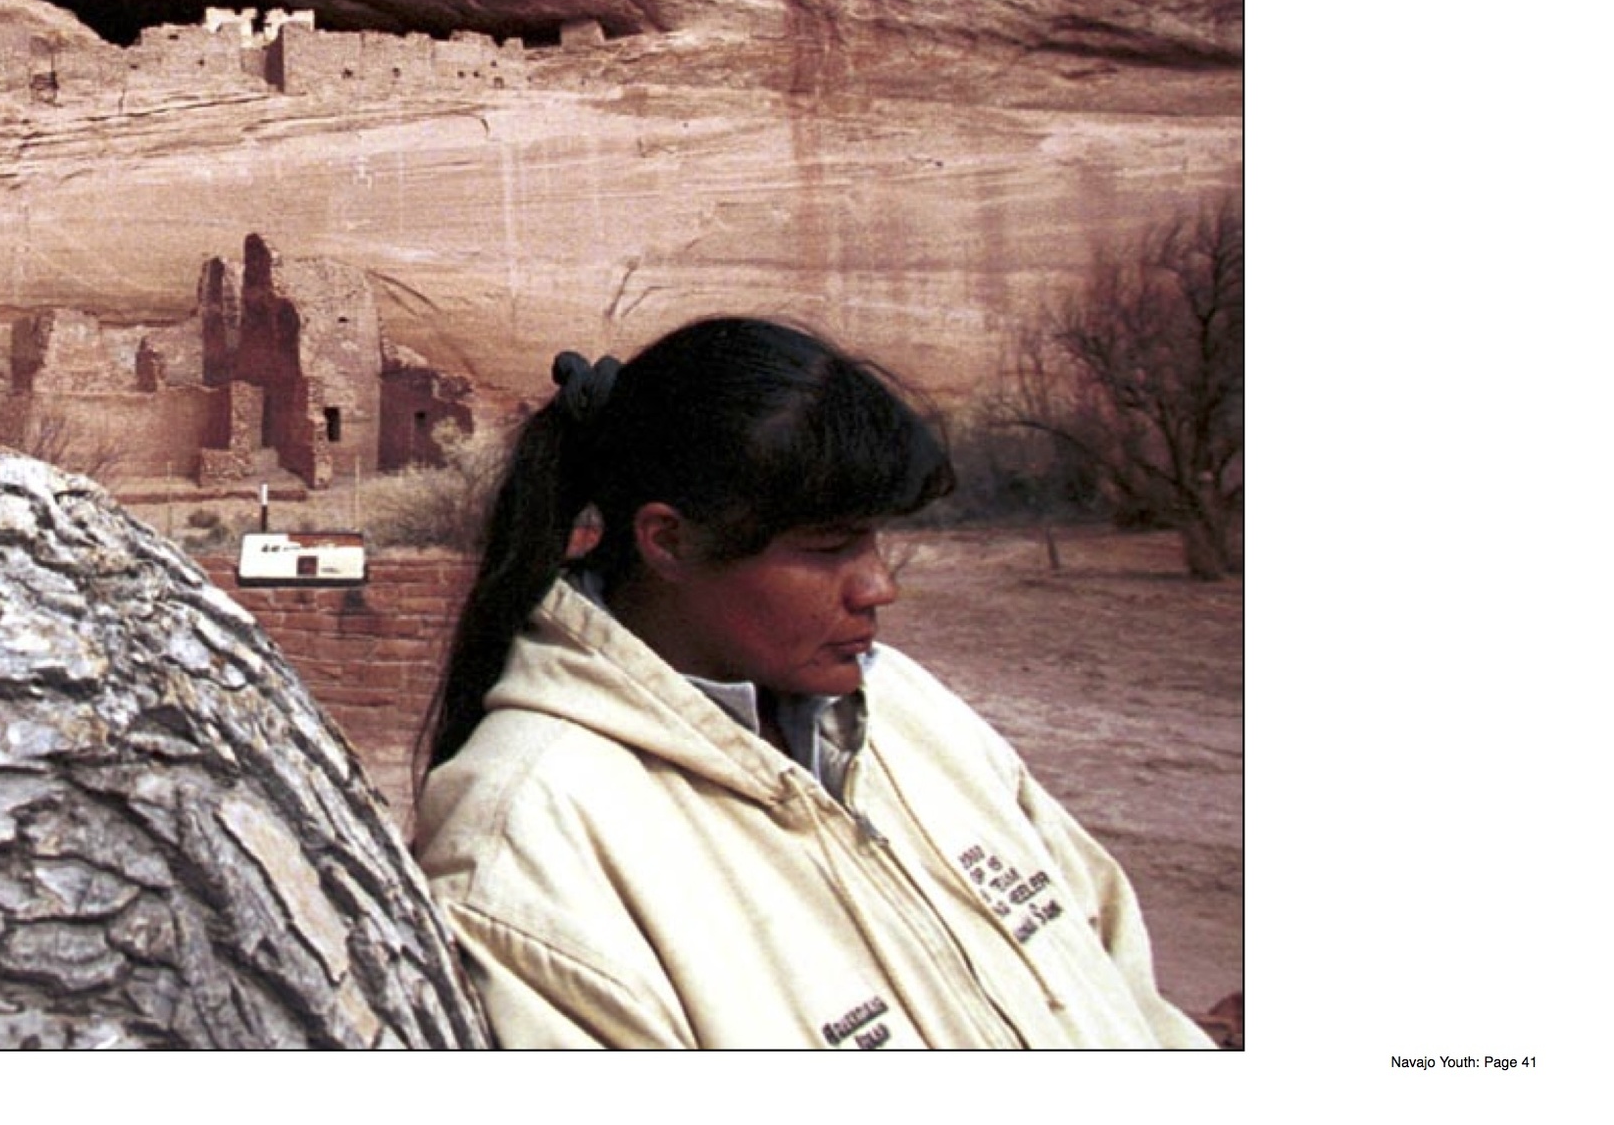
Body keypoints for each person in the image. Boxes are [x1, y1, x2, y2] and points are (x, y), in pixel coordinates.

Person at [411, 317, 1213, 1049]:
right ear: (670, 542)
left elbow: (1118, 977)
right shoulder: (534, 834)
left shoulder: (903, 705)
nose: (877, 587)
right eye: (830, 547)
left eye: (874, 540)